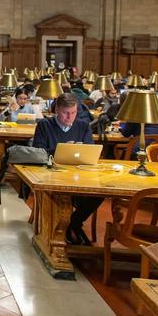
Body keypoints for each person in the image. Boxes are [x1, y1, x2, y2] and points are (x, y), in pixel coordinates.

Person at [32, 93, 100, 246]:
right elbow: (37, 152)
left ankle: (73, 222)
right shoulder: (44, 125)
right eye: (65, 113)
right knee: (60, 193)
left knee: (99, 193)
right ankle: (63, 228)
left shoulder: (83, 126)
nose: (70, 117)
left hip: (79, 175)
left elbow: (90, 150)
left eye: (73, 112)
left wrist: (80, 151)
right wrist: (60, 149)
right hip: (51, 174)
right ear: (57, 110)